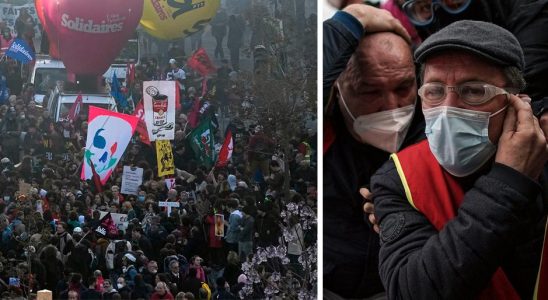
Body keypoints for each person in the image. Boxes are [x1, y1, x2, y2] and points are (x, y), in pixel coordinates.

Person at [371, 20, 548, 299]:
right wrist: (509, 183)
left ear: (518, 103)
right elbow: (412, 290)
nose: (448, 109)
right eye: (434, 91)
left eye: (474, 91)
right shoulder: (398, 179)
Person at [323, 4, 420, 299]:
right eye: (370, 92)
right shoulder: (322, 130)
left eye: (404, 87)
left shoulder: (438, 132)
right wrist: (353, 18)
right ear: (337, 88)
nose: (392, 107)